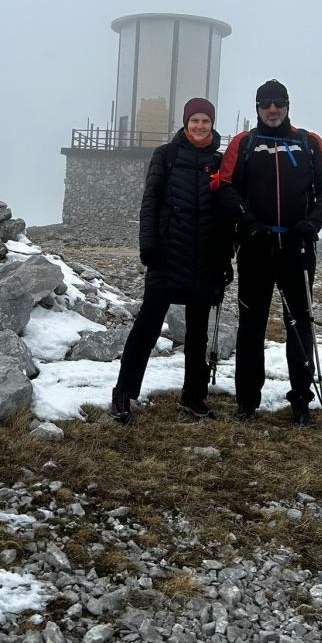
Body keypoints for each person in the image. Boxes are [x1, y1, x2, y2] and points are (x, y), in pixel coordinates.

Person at [214, 79, 322, 427]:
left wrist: (313, 223)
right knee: (251, 326)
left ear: (287, 105)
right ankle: (247, 401)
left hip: (297, 250)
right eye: (265, 104)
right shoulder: (244, 143)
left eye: (278, 103)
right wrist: (249, 224)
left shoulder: (309, 143)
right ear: (257, 108)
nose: (272, 109)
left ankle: (301, 402)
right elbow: (225, 188)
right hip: (255, 249)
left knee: (300, 326)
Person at [110, 97, 232, 425]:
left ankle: (193, 397)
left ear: (212, 124)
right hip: (167, 255)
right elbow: (150, 202)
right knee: (147, 327)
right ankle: (123, 393)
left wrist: (225, 259)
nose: (200, 126)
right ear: (185, 122)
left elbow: (224, 214)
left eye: (205, 121)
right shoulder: (165, 155)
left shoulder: (220, 162)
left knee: (198, 334)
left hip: (205, 257)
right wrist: (148, 246)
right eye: (195, 120)